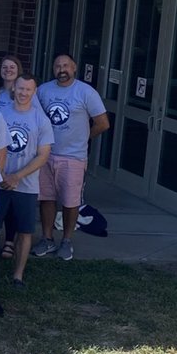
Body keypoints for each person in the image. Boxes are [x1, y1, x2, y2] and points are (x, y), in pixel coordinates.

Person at [34, 54, 109, 261]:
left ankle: (66, 240)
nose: (61, 69)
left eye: (66, 65)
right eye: (57, 66)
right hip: (46, 155)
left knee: (70, 201)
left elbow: (102, 123)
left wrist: (84, 139)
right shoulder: (43, 90)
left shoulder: (86, 92)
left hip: (73, 157)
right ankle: (47, 238)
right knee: (46, 199)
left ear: (74, 68)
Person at [0, 73, 53, 289]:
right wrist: (1, 175)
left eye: (28, 89)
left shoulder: (41, 120)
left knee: (25, 231)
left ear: (34, 91)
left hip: (27, 186)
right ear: (14, 89)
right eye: (20, 88)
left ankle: (18, 275)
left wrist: (16, 177)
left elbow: (43, 155)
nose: (23, 93)